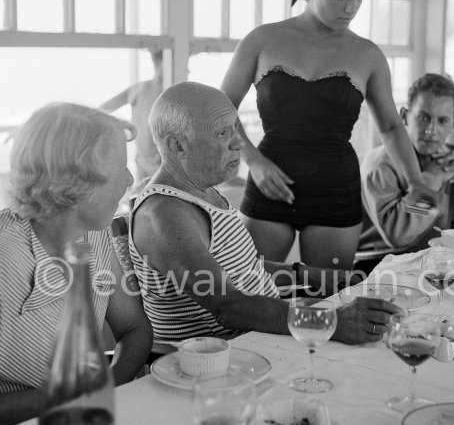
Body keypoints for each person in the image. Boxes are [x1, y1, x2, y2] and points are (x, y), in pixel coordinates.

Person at [129, 81, 400, 346]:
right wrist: (335, 321)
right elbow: (230, 307)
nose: (239, 142)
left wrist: (305, 274)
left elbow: (241, 268)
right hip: (214, 363)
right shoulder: (163, 213)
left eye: (235, 127)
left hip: (255, 342)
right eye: (221, 133)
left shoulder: (200, 190)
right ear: (177, 145)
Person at [220, 0, 435, 269]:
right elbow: (221, 107)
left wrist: (416, 181)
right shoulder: (262, 40)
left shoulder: (368, 55)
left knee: (327, 299)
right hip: (270, 182)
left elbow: (391, 127)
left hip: (336, 190)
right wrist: (253, 161)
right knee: (253, 290)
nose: (352, 7)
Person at [0, 103, 153, 424]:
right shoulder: (5, 256)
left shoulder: (92, 236)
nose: (129, 179)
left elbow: (134, 327)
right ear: (75, 184)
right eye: (119, 168)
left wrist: (109, 384)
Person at [361, 73, 454, 251]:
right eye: (423, 117)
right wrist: (430, 183)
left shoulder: (446, 159)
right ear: (404, 116)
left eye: (443, 121)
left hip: (433, 260)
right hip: (380, 264)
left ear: (452, 124)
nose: (431, 130)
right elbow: (398, 236)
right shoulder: (381, 165)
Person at [100, 48, 163, 182]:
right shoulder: (138, 88)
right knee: (139, 198)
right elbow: (104, 109)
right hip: (141, 159)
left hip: (160, 161)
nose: (187, 70)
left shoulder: (171, 90)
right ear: (158, 61)